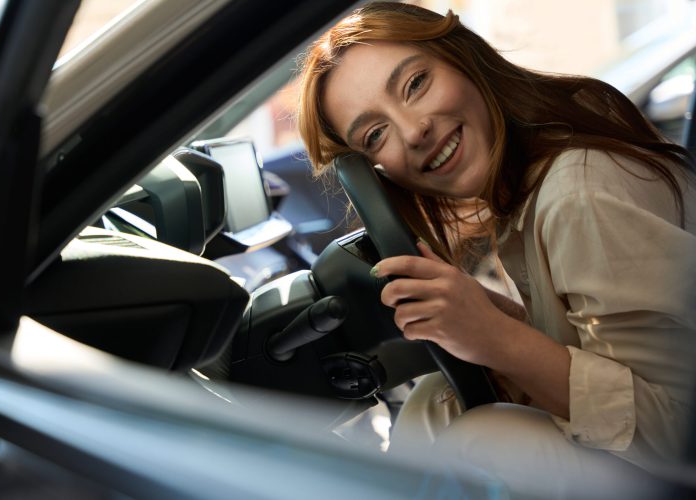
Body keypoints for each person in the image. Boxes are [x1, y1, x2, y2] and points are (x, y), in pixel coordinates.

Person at [297, 1, 696, 495]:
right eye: (376, 134)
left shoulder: (578, 194)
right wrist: (496, 316)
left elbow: (679, 433)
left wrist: (497, 339)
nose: (415, 130)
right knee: (433, 401)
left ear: (465, 59)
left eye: (415, 84)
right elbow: (601, 357)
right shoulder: (535, 185)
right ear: (376, 172)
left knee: (482, 438)